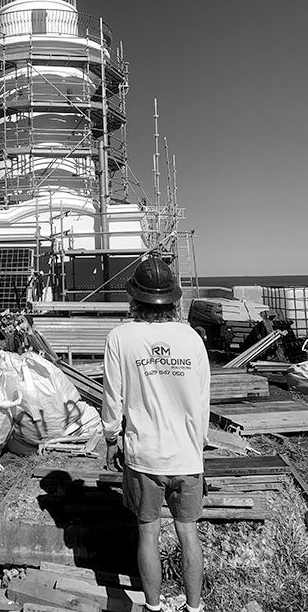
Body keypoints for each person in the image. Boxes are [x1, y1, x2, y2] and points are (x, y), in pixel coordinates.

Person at [102, 256, 210, 612]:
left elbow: (112, 396)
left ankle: (153, 607)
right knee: (188, 533)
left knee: (148, 531)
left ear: (135, 298)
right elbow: (201, 400)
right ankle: (194, 608)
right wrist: (199, 449)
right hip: (186, 456)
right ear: (173, 300)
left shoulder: (120, 338)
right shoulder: (192, 339)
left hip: (144, 455)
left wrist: (110, 438)